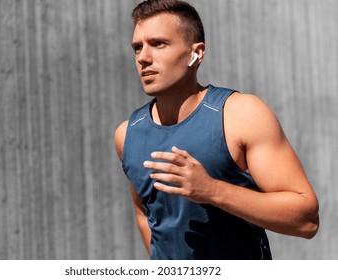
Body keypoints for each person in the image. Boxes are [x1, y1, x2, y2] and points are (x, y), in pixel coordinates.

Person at [114, 0, 319, 260]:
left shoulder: (241, 115)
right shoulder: (127, 135)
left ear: (196, 53)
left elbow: (306, 220)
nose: (143, 57)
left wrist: (212, 190)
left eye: (158, 44)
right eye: (137, 47)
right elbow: (145, 212)